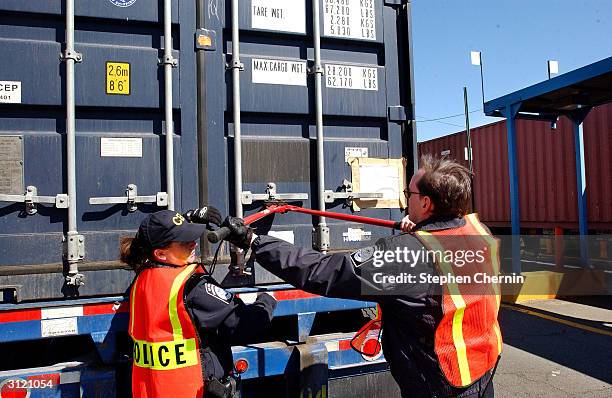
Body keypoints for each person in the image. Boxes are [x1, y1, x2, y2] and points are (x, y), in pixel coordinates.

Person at [220, 156, 502, 398]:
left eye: (410, 194)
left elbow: (321, 271)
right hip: (480, 373)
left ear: (426, 203)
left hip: (440, 384)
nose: (406, 199)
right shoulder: (478, 233)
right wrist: (420, 233)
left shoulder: (407, 255)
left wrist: (255, 241)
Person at [120, 208, 277, 398]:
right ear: (161, 253)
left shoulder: (142, 278)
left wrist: (187, 219)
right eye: (184, 241)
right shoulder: (192, 287)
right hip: (193, 391)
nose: (193, 244)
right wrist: (267, 301)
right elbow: (246, 324)